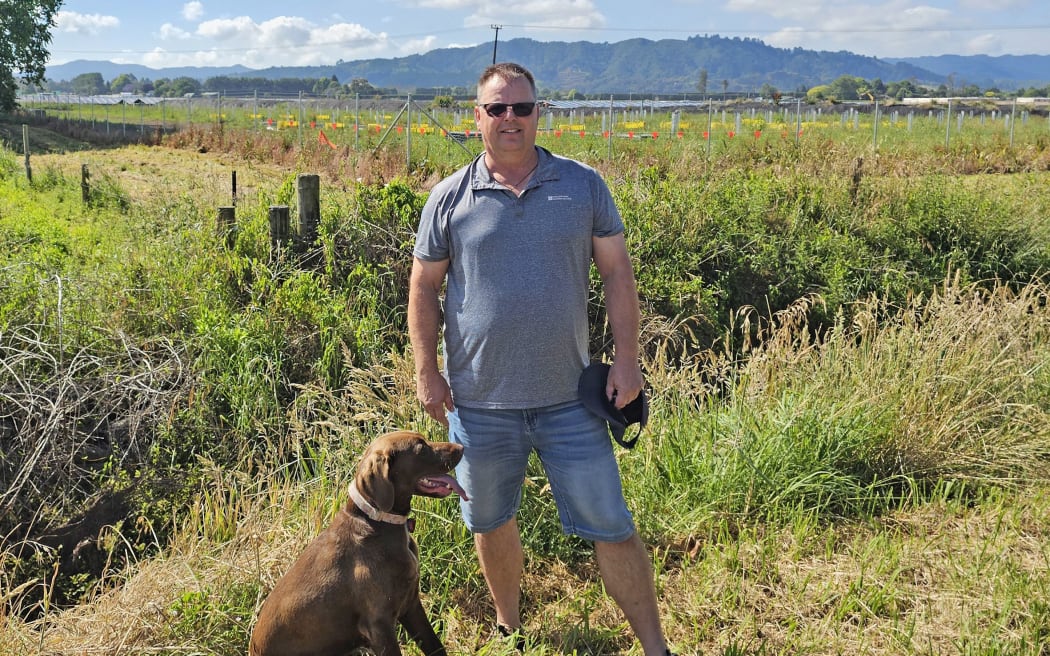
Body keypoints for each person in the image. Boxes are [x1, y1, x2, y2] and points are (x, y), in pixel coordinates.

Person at [408, 62, 674, 656]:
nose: (510, 118)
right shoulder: (449, 198)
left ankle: (656, 647)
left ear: (538, 114)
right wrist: (427, 371)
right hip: (479, 405)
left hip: (570, 401)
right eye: (497, 108)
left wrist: (627, 360)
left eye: (522, 107)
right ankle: (511, 631)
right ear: (477, 117)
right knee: (490, 521)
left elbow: (617, 273)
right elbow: (423, 286)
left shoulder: (582, 186)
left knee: (612, 525)